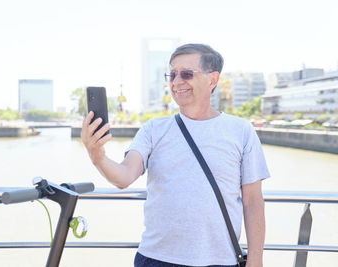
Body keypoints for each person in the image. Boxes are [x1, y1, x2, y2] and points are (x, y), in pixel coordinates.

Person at [81, 43, 270, 267]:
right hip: (156, 259)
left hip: (221, 261)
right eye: (172, 74)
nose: (177, 82)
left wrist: (256, 259)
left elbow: (253, 201)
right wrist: (97, 156)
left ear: (213, 79)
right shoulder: (153, 129)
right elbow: (123, 177)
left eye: (187, 74)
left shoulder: (241, 131)